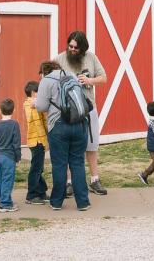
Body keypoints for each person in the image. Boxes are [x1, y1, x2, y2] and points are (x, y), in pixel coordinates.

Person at [33, 59, 90, 211]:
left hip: (58, 126)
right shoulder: (71, 75)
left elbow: (42, 106)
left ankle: (56, 202)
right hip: (79, 124)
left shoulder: (46, 80)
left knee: (59, 164)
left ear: (43, 71)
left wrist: (35, 102)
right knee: (77, 163)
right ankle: (83, 202)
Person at [57, 30, 109, 195]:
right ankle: (69, 183)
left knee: (91, 146)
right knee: (69, 147)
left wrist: (89, 80)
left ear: (83, 48)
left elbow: (104, 78)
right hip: (67, 111)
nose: (72, 49)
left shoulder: (91, 58)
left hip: (88, 108)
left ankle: (94, 180)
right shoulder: (59, 59)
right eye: (70, 46)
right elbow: (47, 78)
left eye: (75, 47)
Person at [0, 98, 21, 212]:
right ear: (13, 111)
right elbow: (16, 143)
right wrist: (18, 157)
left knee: (0, 179)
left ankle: (3, 199)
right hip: (9, 156)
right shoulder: (14, 124)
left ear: (0, 111)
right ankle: (5, 204)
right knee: (8, 179)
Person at [22, 79, 48, 205]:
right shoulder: (28, 103)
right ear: (33, 92)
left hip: (40, 140)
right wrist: (37, 105)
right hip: (35, 140)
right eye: (39, 92)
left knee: (39, 167)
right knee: (36, 168)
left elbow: (44, 120)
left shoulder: (36, 103)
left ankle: (41, 192)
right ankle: (31, 195)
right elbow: (35, 120)